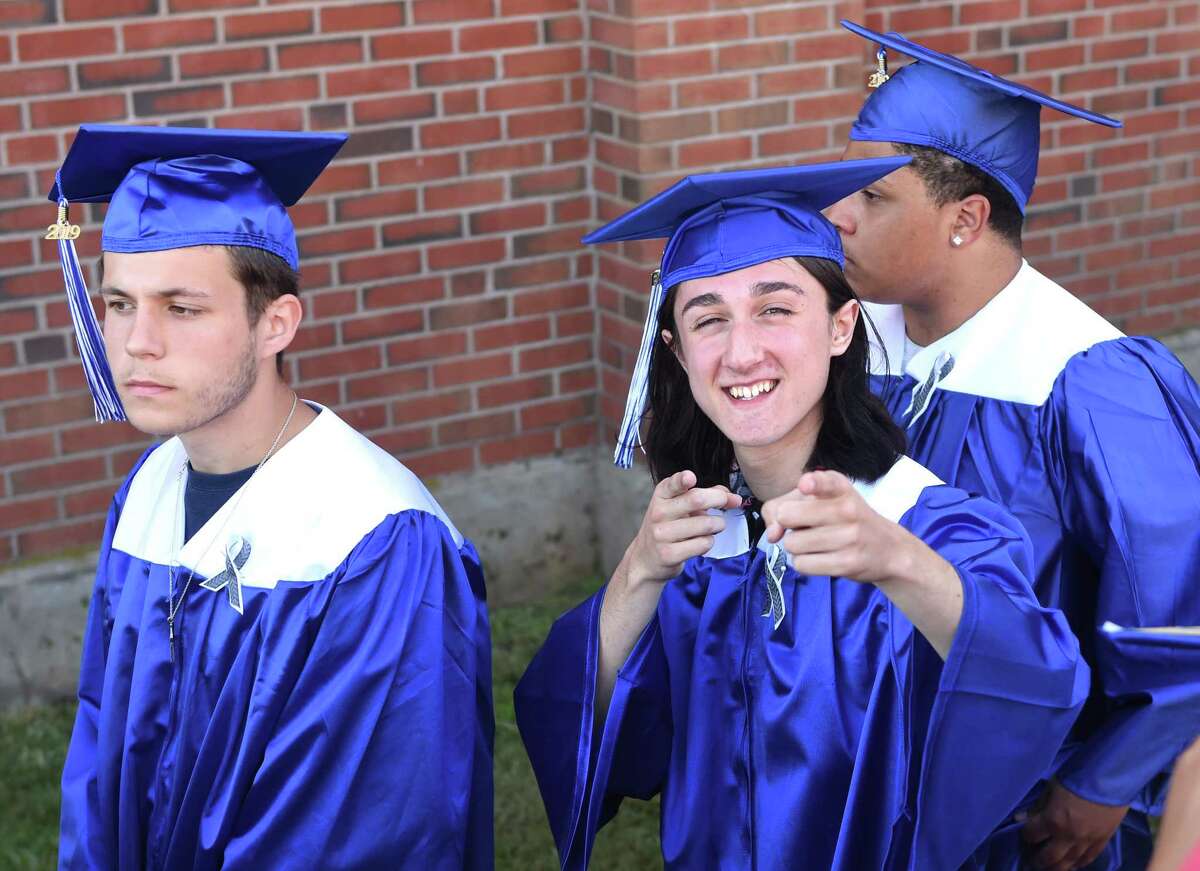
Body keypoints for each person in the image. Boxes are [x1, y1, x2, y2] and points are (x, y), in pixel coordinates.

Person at [514, 160, 1089, 870]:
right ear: (677, 352)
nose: (741, 351)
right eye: (708, 319)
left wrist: (896, 561)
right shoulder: (700, 545)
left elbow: (1040, 680)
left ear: (843, 325)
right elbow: (572, 721)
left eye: (775, 308)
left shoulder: (926, 522)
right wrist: (637, 573)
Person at [52, 125, 493, 870]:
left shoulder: (374, 540)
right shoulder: (148, 491)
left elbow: (360, 832)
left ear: (276, 323)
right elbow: (103, 749)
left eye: (181, 308)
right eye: (119, 303)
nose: (135, 343)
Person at [825, 21, 1200, 871]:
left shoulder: (1088, 380)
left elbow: (1179, 606)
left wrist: (1108, 781)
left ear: (968, 218)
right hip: (863, 775)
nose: (836, 215)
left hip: (1024, 807)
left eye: (872, 196)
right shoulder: (852, 343)